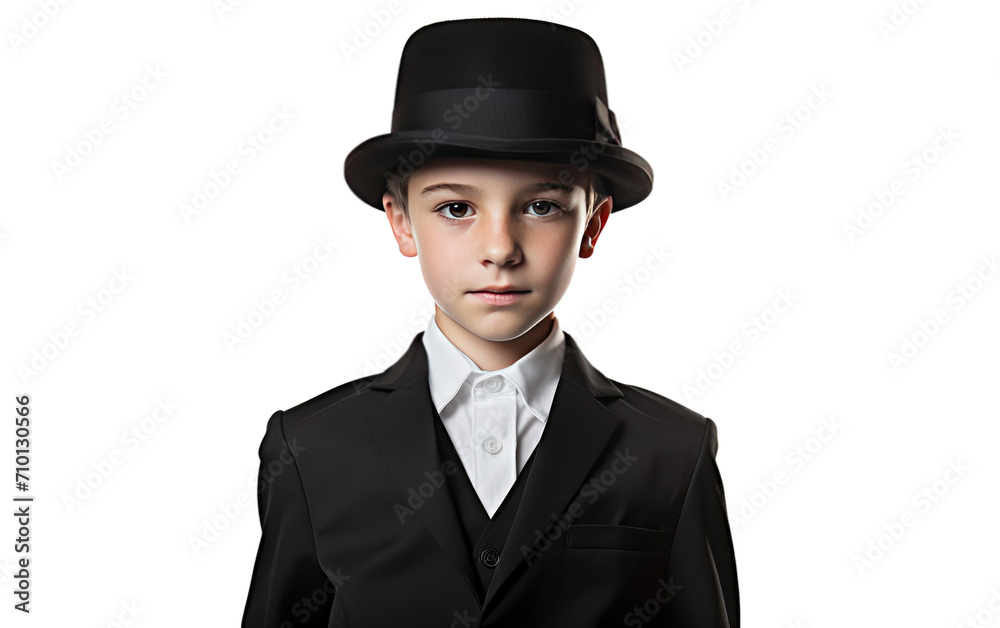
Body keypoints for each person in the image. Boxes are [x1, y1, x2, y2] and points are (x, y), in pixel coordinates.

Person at [242, 16, 739, 627]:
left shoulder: (671, 450)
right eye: (456, 208)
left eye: (541, 206)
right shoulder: (311, 447)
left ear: (593, 224)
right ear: (401, 222)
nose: (499, 248)